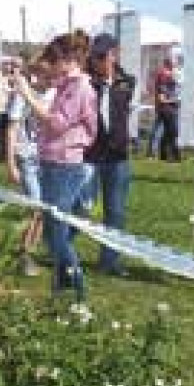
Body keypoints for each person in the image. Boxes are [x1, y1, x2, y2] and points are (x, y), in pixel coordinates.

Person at [18, 32, 97, 291]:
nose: (52, 64)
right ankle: (61, 286)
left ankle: (76, 286)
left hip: (65, 166)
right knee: (54, 231)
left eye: (55, 59)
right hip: (52, 162)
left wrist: (28, 95)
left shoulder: (80, 88)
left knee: (55, 233)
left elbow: (56, 123)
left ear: (70, 59)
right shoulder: (65, 85)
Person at [83, 34, 136, 276]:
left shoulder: (127, 82)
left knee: (115, 210)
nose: (98, 61)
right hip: (89, 153)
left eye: (103, 56)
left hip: (117, 156)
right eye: (95, 56)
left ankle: (110, 260)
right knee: (84, 205)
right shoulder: (85, 82)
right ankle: (64, 250)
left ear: (114, 55)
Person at [4, 52, 50, 276]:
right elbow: (11, 129)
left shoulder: (54, 92)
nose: (49, 78)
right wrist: (11, 162)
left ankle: (28, 250)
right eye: (45, 73)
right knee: (35, 207)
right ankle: (24, 253)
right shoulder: (22, 95)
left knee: (43, 210)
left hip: (48, 158)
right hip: (26, 157)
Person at [150, 55, 182, 162]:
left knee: (166, 133)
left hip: (167, 108)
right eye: (175, 62)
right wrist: (175, 100)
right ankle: (173, 156)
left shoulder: (169, 74)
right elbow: (162, 97)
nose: (176, 64)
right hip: (167, 108)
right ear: (169, 63)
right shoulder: (163, 75)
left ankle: (162, 155)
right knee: (171, 133)